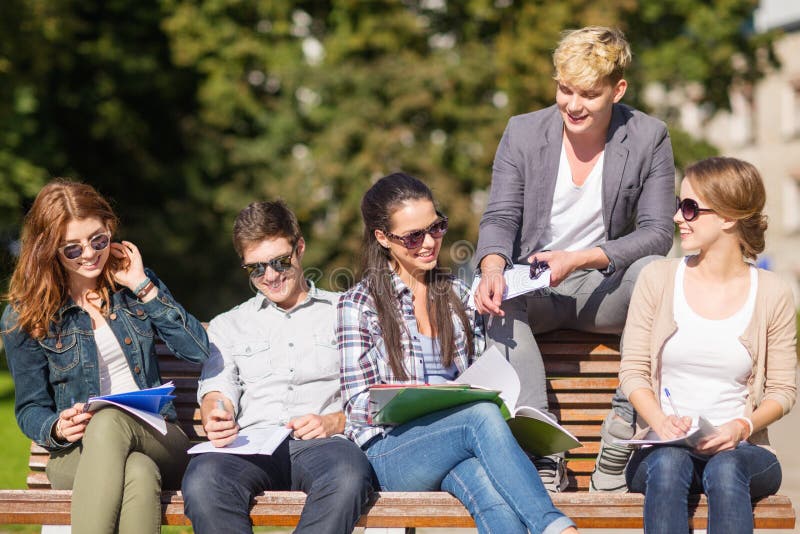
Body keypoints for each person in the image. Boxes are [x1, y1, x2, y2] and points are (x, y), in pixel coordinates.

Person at [474, 26, 676, 492]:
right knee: (496, 298)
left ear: (617, 89)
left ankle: (622, 433)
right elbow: (501, 215)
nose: (573, 104)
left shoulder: (649, 137)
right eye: (565, 90)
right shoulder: (523, 132)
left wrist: (579, 258)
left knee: (659, 276)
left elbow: (658, 233)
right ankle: (545, 450)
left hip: (602, 287)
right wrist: (492, 267)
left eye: (588, 94)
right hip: (536, 288)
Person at [338, 172, 579, 534]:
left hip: (457, 446)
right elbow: (357, 405)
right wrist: (418, 399)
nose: (428, 242)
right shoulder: (358, 304)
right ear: (383, 238)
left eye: (435, 227)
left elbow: (480, 377)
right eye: (413, 236)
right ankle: (556, 527)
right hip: (391, 453)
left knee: (493, 499)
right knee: (478, 416)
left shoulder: (458, 295)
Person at [1, 179, 210, 534]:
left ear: (110, 230)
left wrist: (142, 285)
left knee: (110, 422)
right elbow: (30, 407)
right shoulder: (26, 316)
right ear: (49, 248)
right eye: (72, 248)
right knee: (139, 472)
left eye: (98, 240)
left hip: (158, 436)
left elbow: (197, 349)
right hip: (75, 454)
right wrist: (55, 426)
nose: (90, 253)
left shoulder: (134, 288)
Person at [620, 157, 797, 534]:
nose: (677, 218)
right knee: (670, 463)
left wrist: (740, 427)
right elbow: (632, 372)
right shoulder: (657, 279)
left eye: (690, 208)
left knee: (727, 465)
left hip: (743, 451)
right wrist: (661, 423)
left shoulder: (773, 292)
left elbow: (783, 391)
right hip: (661, 450)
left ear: (728, 218)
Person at [181, 200, 374, 534]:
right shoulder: (229, 324)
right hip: (250, 444)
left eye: (280, 261)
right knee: (202, 480)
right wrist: (217, 413)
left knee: (349, 476)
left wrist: (334, 421)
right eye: (255, 268)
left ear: (299, 248)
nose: (270, 276)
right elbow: (218, 389)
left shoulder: (344, 311)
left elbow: (372, 393)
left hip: (323, 445)